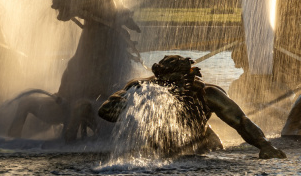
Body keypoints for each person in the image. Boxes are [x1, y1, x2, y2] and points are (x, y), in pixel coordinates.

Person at [99, 55, 286, 159]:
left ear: (190, 78)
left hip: (204, 147)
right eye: (166, 83)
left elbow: (241, 121)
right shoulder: (142, 89)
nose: (172, 88)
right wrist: (138, 102)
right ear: (158, 79)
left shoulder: (207, 94)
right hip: (160, 149)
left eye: (179, 83)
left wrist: (265, 145)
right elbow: (106, 112)